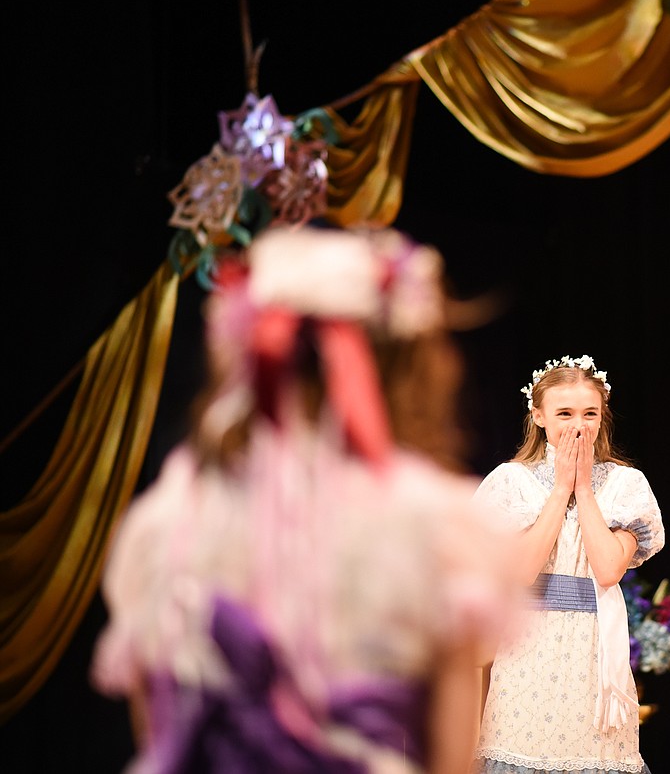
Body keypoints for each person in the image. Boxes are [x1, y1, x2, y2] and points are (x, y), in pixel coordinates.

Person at [91, 225, 520, 774]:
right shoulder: (435, 531)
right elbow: (449, 760)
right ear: (411, 362)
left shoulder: (169, 527)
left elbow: (162, 739)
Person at [471, 355, 665, 774]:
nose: (578, 425)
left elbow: (609, 569)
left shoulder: (625, 485)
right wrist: (561, 489)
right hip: (528, 655)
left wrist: (585, 488)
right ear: (538, 416)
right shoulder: (511, 482)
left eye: (589, 413)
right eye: (564, 413)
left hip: (593, 656)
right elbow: (521, 572)